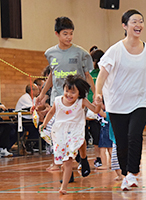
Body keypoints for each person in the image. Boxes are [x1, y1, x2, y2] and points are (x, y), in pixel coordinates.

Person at [94, 9, 146, 191]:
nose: (138, 25)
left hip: (141, 102)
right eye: (134, 22)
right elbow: (102, 75)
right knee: (121, 142)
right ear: (125, 26)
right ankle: (126, 173)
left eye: (141, 21)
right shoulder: (115, 50)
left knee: (134, 135)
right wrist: (98, 93)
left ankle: (132, 173)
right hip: (117, 104)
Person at [35, 16, 95, 177]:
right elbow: (52, 75)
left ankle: (83, 158)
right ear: (57, 34)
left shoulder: (80, 53)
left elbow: (88, 76)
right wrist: (42, 94)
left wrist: (96, 93)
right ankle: (68, 170)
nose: (69, 37)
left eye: (71, 34)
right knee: (59, 134)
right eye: (65, 34)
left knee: (78, 132)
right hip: (59, 99)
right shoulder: (50, 53)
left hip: (77, 100)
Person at [39, 75, 100, 195]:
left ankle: (64, 186)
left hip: (76, 129)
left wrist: (97, 103)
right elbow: (51, 113)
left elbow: (96, 110)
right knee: (63, 160)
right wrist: (44, 124)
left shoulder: (81, 101)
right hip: (60, 131)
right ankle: (83, 159)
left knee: (69, 159)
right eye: (67, 91)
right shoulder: (58, 100)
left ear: (79, 93)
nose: (69, 94)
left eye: (73, 92)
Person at [85, 48, 105, 169]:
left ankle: (101, 158)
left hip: (101, 106)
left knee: (99, 134)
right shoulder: (89, 74)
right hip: (89, 107)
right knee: (92, 133)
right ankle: (94, 158)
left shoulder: (103, 73)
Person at [96, 98, 113, 170]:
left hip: (106, 132)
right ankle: (114, 164)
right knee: (110, 149)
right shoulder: (111, 112)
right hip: (108, 132)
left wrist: (98, 106)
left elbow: (102, 113)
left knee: (103, 149)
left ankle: (105, 164)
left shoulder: (107, 112)